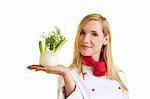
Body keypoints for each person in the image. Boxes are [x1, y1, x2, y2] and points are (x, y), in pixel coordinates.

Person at [27, 13, 129, 99]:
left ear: (106, 39)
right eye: (82, 33)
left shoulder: (119, 74)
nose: (85, 40)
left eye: (94, 34)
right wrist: (66, 73)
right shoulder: (70, 75)